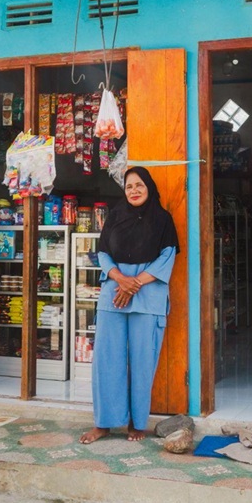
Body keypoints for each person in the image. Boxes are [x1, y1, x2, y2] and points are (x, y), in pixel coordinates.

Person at [80, 166, 179, 443]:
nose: (133, 190)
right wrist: (121, 279)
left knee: (143, 361)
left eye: (139, 185)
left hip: (148, 298)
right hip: (114, 295)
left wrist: (134, 283)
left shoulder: (162, 220)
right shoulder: (115, 216)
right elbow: (103, 253)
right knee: (107, 361)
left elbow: (167, 257)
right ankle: (104, 423)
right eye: (129, 186)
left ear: (149, 188)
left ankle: (136, 423)